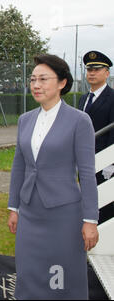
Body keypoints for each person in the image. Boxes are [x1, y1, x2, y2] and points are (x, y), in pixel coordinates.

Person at [7, 54, 99, 300]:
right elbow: (19, 166)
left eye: (43, 79)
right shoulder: (26, 120)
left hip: (63, 215)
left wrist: (91, 219)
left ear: (62, 83)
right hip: (29, 211)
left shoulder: (80, 121)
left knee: (61, 277)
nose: (36, 85)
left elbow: (88, 174)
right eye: (33, 79)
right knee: (29, 273)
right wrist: (13, 206)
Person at [79, 51, 114, 225]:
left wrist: (110, 163)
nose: (91, 73)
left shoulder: (112, 97)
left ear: (107, 73)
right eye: (89, 70)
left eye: (97, 69)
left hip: (103, 161)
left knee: (104, 204)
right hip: (83, 160)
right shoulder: (84, 98)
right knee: (86, 201)